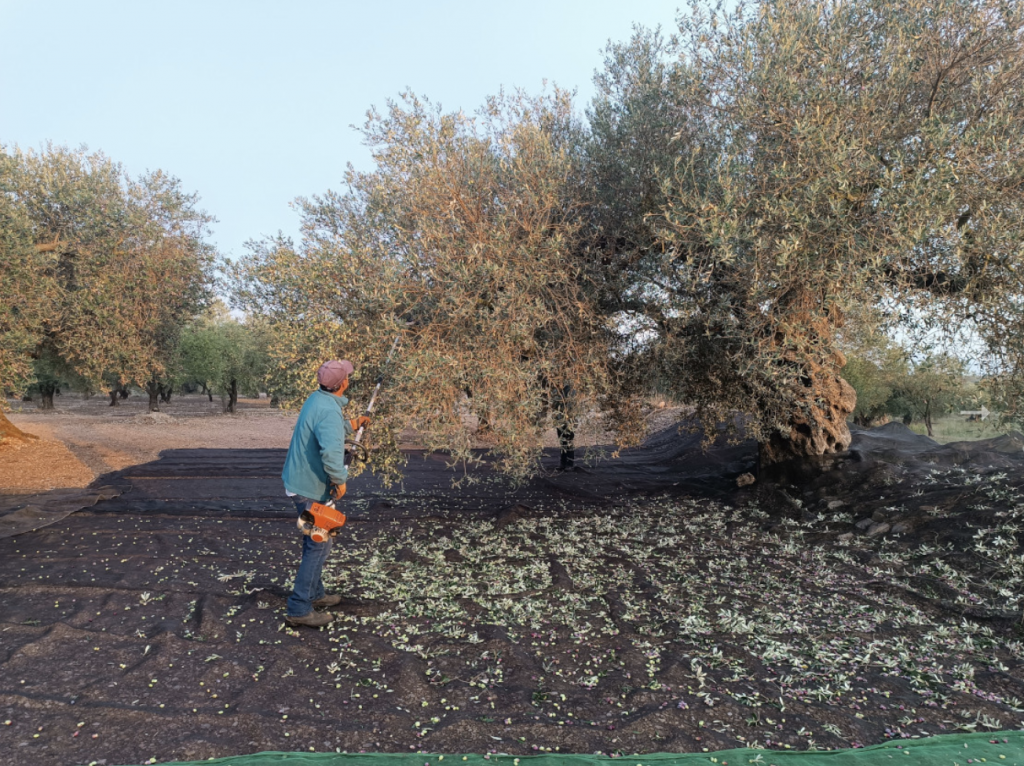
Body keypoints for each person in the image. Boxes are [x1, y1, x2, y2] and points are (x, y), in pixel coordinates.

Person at [281, 359, 370, 627]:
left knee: (317, 541)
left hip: (298, 483)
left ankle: (316, 594)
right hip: (307, 488)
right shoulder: (329, 410)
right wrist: (340, 481)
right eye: (348, 377)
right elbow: (331, 452)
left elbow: (325, 428)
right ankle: (299, 608)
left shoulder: (317, 399)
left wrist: (352, 424)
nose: (349, 380)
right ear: (342, 383)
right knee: (319, 544)